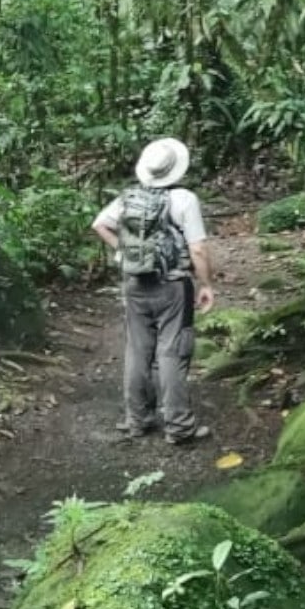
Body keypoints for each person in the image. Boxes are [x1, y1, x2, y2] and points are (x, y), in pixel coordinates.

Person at [92, 137, 216, 446]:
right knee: (172, 351)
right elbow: (198, 249)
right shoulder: (184, 199)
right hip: (173, 285)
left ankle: (137, 419)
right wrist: (206, 285)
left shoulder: (129, 197)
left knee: (137, 350)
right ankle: (178, 426)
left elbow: (99, 224)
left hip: (135, 284)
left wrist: (127, 251)